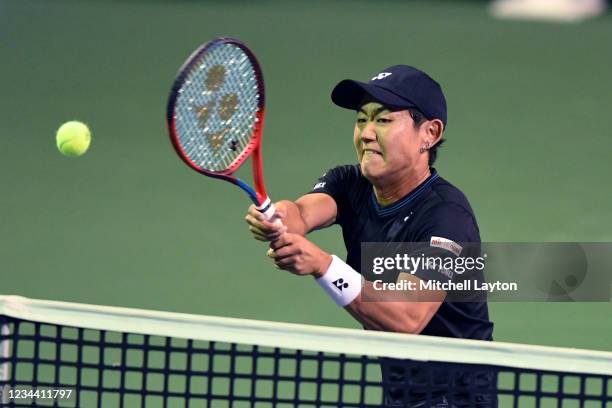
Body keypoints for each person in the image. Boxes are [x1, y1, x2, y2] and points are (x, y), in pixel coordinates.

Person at [245, 65, 495, 407]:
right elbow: (301, 213)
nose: (365, 133)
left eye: (383, 120)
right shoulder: (349, 183)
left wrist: (322, 264)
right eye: (361, 119)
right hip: (402, 394)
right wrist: (276, 218)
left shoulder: (446, 215)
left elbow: (406, 317)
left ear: (430, 133)